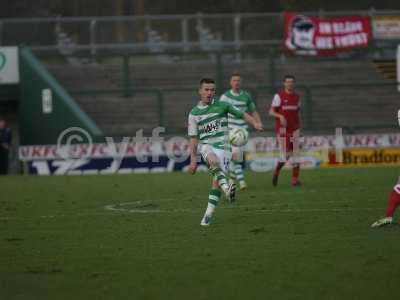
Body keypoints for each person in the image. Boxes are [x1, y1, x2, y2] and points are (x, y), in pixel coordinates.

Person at [188, 78, 263, 226]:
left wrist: (254, 122)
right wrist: (193, 159)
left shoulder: (223, 105)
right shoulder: (194, 114)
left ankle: (207, 215)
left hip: (225, 148)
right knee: (213, 160)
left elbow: (242, 114)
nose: (209, 93)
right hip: (207, 146)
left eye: (212, 90)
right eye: (206, 89)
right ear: (200, 91)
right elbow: (193, 139)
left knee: (215, 183)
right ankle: (227, 188)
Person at [219, 72, 262, 190]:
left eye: (238, 80)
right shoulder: (225, 97)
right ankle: (241, 182)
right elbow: (219, 112)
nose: (236, 82)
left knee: (235, 157)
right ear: (230, 82)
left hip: (242, 131)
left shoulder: (246, 96)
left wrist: (258, 123)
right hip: (230, 130)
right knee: (235, 156)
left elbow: (253, 111)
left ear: (241, 82)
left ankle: (232, 180)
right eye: (234, 80)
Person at [269, 75, 301, 187]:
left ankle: (294, 180)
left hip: (294, 129)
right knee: (286, 154)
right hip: (282, 130)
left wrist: (298, 129)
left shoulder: (297, 97)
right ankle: (276, 171)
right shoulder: (279, 96)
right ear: (284, 83)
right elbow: (271, 112)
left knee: (296, 155)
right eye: (287, 82)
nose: (290, 84)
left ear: (294, 83)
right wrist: (280, 116)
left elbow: (297, 114)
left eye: (292, 82)